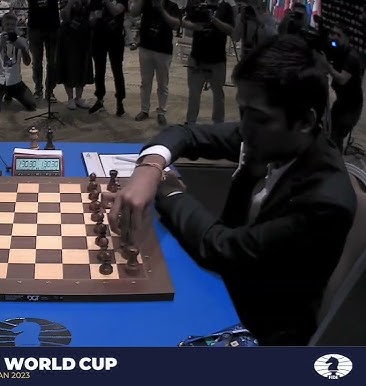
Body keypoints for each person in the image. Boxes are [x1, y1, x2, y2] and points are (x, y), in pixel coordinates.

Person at [107, 34, 357, 345]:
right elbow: (185, 134)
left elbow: (224, 247)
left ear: (305, 121)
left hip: (260, 328)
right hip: (223, 285)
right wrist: (149, 168)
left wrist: (168, 191)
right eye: (242, 112)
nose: (244, 128)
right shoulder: (273, 136)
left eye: (259, 117)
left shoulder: (325, 202)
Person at [316, 25, 364, 153]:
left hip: (351, 107)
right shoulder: (337, 50)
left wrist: (327, 66)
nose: (334, 37)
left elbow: (342, 79)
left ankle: (336, 165)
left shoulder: (351, 57)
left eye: (339, 35)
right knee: (329, 131)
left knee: (335, 137)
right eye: (333, 34)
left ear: (347, 39)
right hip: (341, 102)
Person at [0, 12, 37, 114]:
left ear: (16, 26)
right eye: (7, 24)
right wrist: (0, 46)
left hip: (15, 80)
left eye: (12, 25)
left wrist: (23, 49)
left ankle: (10, 92)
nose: (10, 27)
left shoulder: (21, 40)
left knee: (31, 105)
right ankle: (3, 93)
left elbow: (27, 63)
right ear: (3, 25)